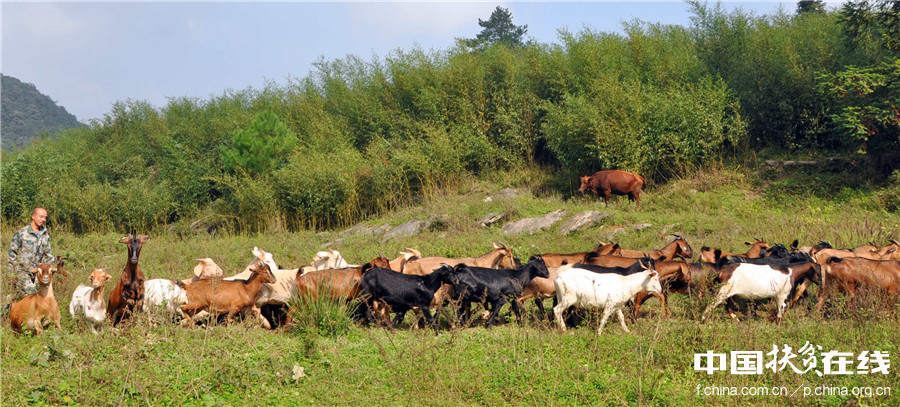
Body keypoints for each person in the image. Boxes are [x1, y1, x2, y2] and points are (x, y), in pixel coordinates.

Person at [6, 207, 54, 300]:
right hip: (23, 271)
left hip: (38, 272)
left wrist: (48, 270)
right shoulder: (22, 233)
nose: (43, 219)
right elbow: (12, 255)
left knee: (44, 295)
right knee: (32, 294)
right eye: (41, 217)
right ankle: (7, 311)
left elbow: (48, 255)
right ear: (33, 216)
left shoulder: (45, 234)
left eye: (45, 217)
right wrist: (11, 275)